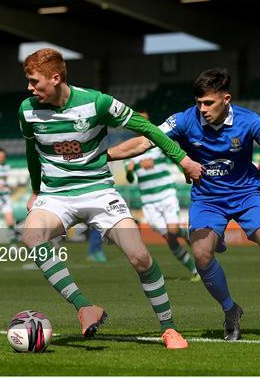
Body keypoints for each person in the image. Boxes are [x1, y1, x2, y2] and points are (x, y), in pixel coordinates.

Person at [107, 68, 260, 341]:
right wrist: (104, 155)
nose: (202, 109)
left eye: (209, 103)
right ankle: (230, 309)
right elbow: (144, 141)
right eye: (198, 102)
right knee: (201, 255)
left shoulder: (251, 121)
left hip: (247, 195)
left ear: (226, 99)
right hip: (207, 199)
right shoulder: (183, 121)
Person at [18, 48, 203, 349]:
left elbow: (144, 127)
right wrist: (37, 189)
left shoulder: (96, 102)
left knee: (140, 256)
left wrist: (182, 159)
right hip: (56, 195)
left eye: (34, 81)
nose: (29, 88)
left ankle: (169, 328)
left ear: (56, 78)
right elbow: (31, 152)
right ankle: (83, 306)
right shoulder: (27, 109)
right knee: (30, 235)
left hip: (99, 192)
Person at [125, 112, 199, 281]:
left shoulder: (157, 143)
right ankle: (195, 271)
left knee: (173, 230)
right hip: (149, 202)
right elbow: (130, 179)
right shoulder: (131, 150)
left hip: (166, 194)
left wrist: (186, 170)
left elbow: (175, 156)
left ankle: (186, 235)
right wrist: (129, 172)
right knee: (170, 239)